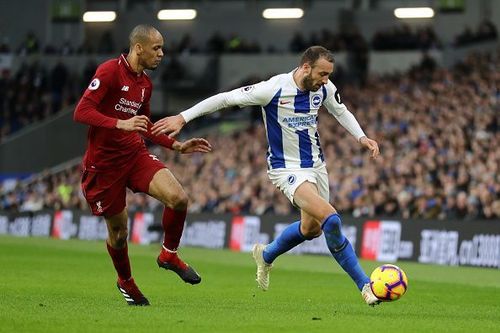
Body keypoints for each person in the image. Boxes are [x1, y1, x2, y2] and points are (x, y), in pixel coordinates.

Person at [151, 46, 381, 306]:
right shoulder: (273, 89)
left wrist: (361, 137)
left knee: (311, 229)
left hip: (316, 166)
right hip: (286, 169)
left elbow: (340, 111)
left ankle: (267, 254)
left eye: (329, 75)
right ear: (306, 67)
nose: (326, 80)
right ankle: (365, 286)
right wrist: (183, 117)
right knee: (332, 220)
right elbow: (225, 99)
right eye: (322, 74)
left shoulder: (324, 89)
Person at [73, 24, 212, 306]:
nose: (161, 54)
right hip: (104, 166)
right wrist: (120, 123)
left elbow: (145, 126)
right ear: (139, 48)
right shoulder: (109, 71)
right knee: (119, 233)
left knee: (178, 198)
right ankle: (126, 282)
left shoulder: (145, 84)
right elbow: (82, 111)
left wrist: (177, 145)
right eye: (157, 48)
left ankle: (168, 254)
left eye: (162, 48)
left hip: (134, 155)